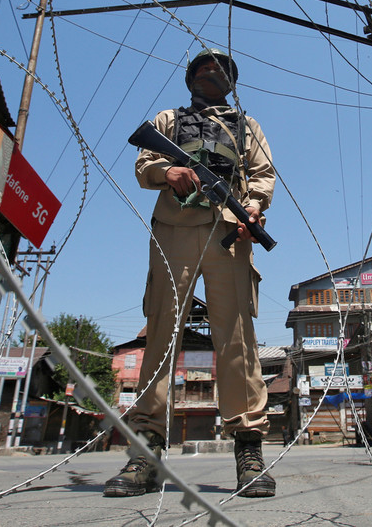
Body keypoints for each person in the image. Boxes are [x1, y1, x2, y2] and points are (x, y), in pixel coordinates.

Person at [103, 48, 276, 498]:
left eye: (219, 70)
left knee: (237, 342)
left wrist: (253, 208)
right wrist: (170, 169)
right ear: (189, 78)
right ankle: (145, 452)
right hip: (175, 231)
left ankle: (249, 450)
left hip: (228, 235)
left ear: (231, 81)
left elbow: (262, 174)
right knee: (161, 335)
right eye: (202, 68)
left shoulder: (246, 125)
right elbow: (144, 165)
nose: (210, 73)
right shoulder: (167, 120)